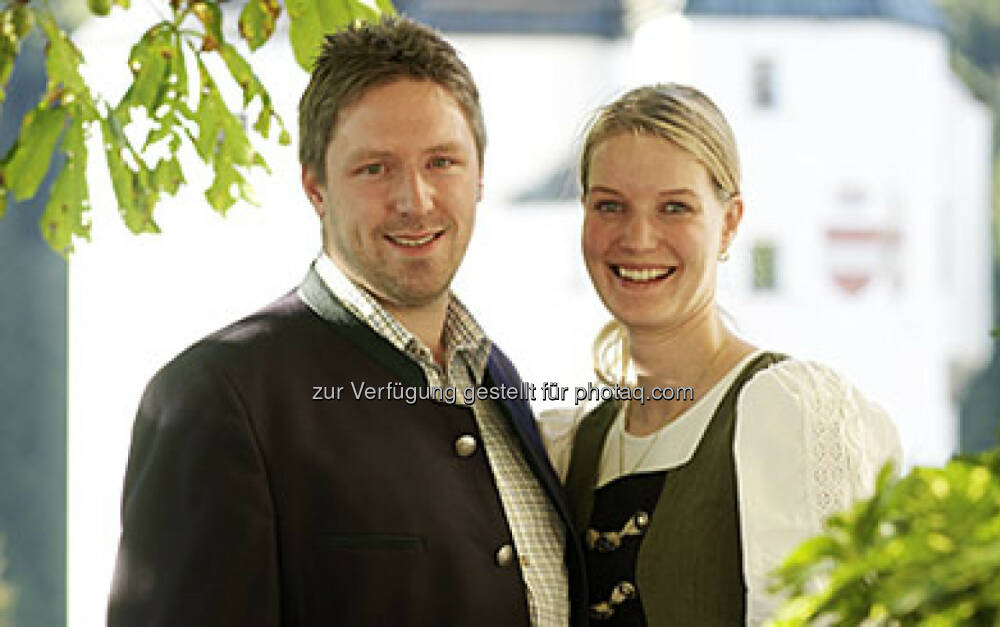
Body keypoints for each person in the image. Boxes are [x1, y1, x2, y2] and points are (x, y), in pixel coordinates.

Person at [107, 17, 586, 627]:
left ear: (480, 176)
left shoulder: (499, 383)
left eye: (442, 162)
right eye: (375, 169)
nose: (416, 200)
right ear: (315, 187)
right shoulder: (215, 397)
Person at [541, 83, 902, 626]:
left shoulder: (787, 412)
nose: (638, 238)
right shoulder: (574, 447)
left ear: (729, 222)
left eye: (674, 207)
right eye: (610, 206)